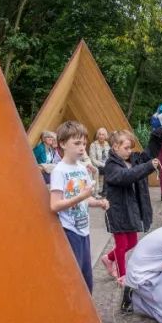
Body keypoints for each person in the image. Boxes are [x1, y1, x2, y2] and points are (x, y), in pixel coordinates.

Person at [101, 131, 160, 307]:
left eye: (130, 148)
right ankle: (122, 277)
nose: (129, 151)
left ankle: (108, 258)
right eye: (126, 148)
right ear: (115, 147)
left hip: (129, 209)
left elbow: (146, 156)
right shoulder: (111, 166)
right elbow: (126, 177)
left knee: (132, 242)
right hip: (116, 210)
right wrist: (148, 167)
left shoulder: (131, 159)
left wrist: (157, 138)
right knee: (121, 245)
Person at [49, 121, 109, 293]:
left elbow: (85, 199)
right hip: (70, 231)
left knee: (87, 278)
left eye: (84, 143)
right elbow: (54, 205)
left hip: (84, 230)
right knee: (74, 279)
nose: (82, 147)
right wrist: (81, 196)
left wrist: (98, 202)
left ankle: (86, 308)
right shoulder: (59, 171)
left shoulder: (82, 169)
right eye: (76, 143)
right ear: (62, 144)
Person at [89, 127, 112, 195]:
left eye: (103, 134)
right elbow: (92, 159)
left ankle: (107, 190)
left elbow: (110, 156)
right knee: (106, 170)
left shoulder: (107, 144)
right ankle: (104, 190)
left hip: (106, 164)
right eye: (100, 134)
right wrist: (103, 165)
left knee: (113, 168)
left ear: (105, 136)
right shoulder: (93, 145)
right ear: (97, 135)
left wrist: (108, 163)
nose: (101, 136)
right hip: (97, 165)